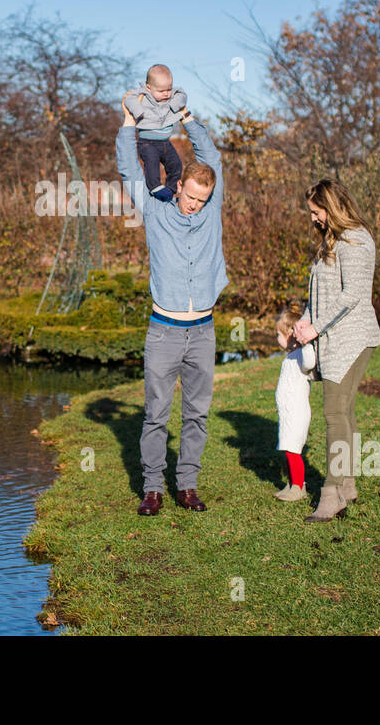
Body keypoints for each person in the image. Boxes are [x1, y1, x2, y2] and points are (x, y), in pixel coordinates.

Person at [116, 63, 227, 516]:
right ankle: (152, 490)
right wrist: (128, 121)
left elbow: (212, 159)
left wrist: (187, 117)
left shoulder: (210, 212)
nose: (195, 205)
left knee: (197, 415)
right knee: (156, 415)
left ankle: (187, 486)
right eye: (190, 196)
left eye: (203, 199)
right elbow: (128, 171)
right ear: (177, 185)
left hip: (202, 331)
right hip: (163, 332)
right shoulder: (157, 212)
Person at [291, 178, 380, 522]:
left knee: (333, 412)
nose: (313, 218)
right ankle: (347, 484)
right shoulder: (331, 241)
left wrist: (316, 326)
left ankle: (331, 493)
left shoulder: (356, 239)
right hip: (334, 337)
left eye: (316, 212)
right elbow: (321, 295)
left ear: (332, 207)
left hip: (353, 338)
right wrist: (304, 321)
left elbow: (351, 295)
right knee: (344, 412)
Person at [273, 299, 316, 502]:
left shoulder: (301, 355)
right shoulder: (289, 356)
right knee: (288, 449)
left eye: (278, 335)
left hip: (297, 412)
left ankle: (299, 487)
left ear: (291, 334)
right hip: (288, 412)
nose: (276, 338)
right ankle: (291, 483)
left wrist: (305, 342)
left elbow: (310, 362)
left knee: (293, 451)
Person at [123, 72, 188, 201]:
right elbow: (129, 99)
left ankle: (171, 188)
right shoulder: (142, 94)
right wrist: (138, 111)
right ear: (149, 87)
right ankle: (155, 187)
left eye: (169, 89)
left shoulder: (172, 96)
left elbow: (182, 95)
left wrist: (175, 105)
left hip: (166, 142)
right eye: (161, 91)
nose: (166, 94)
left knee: (176, 164)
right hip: (147, 143)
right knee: (152, 164)